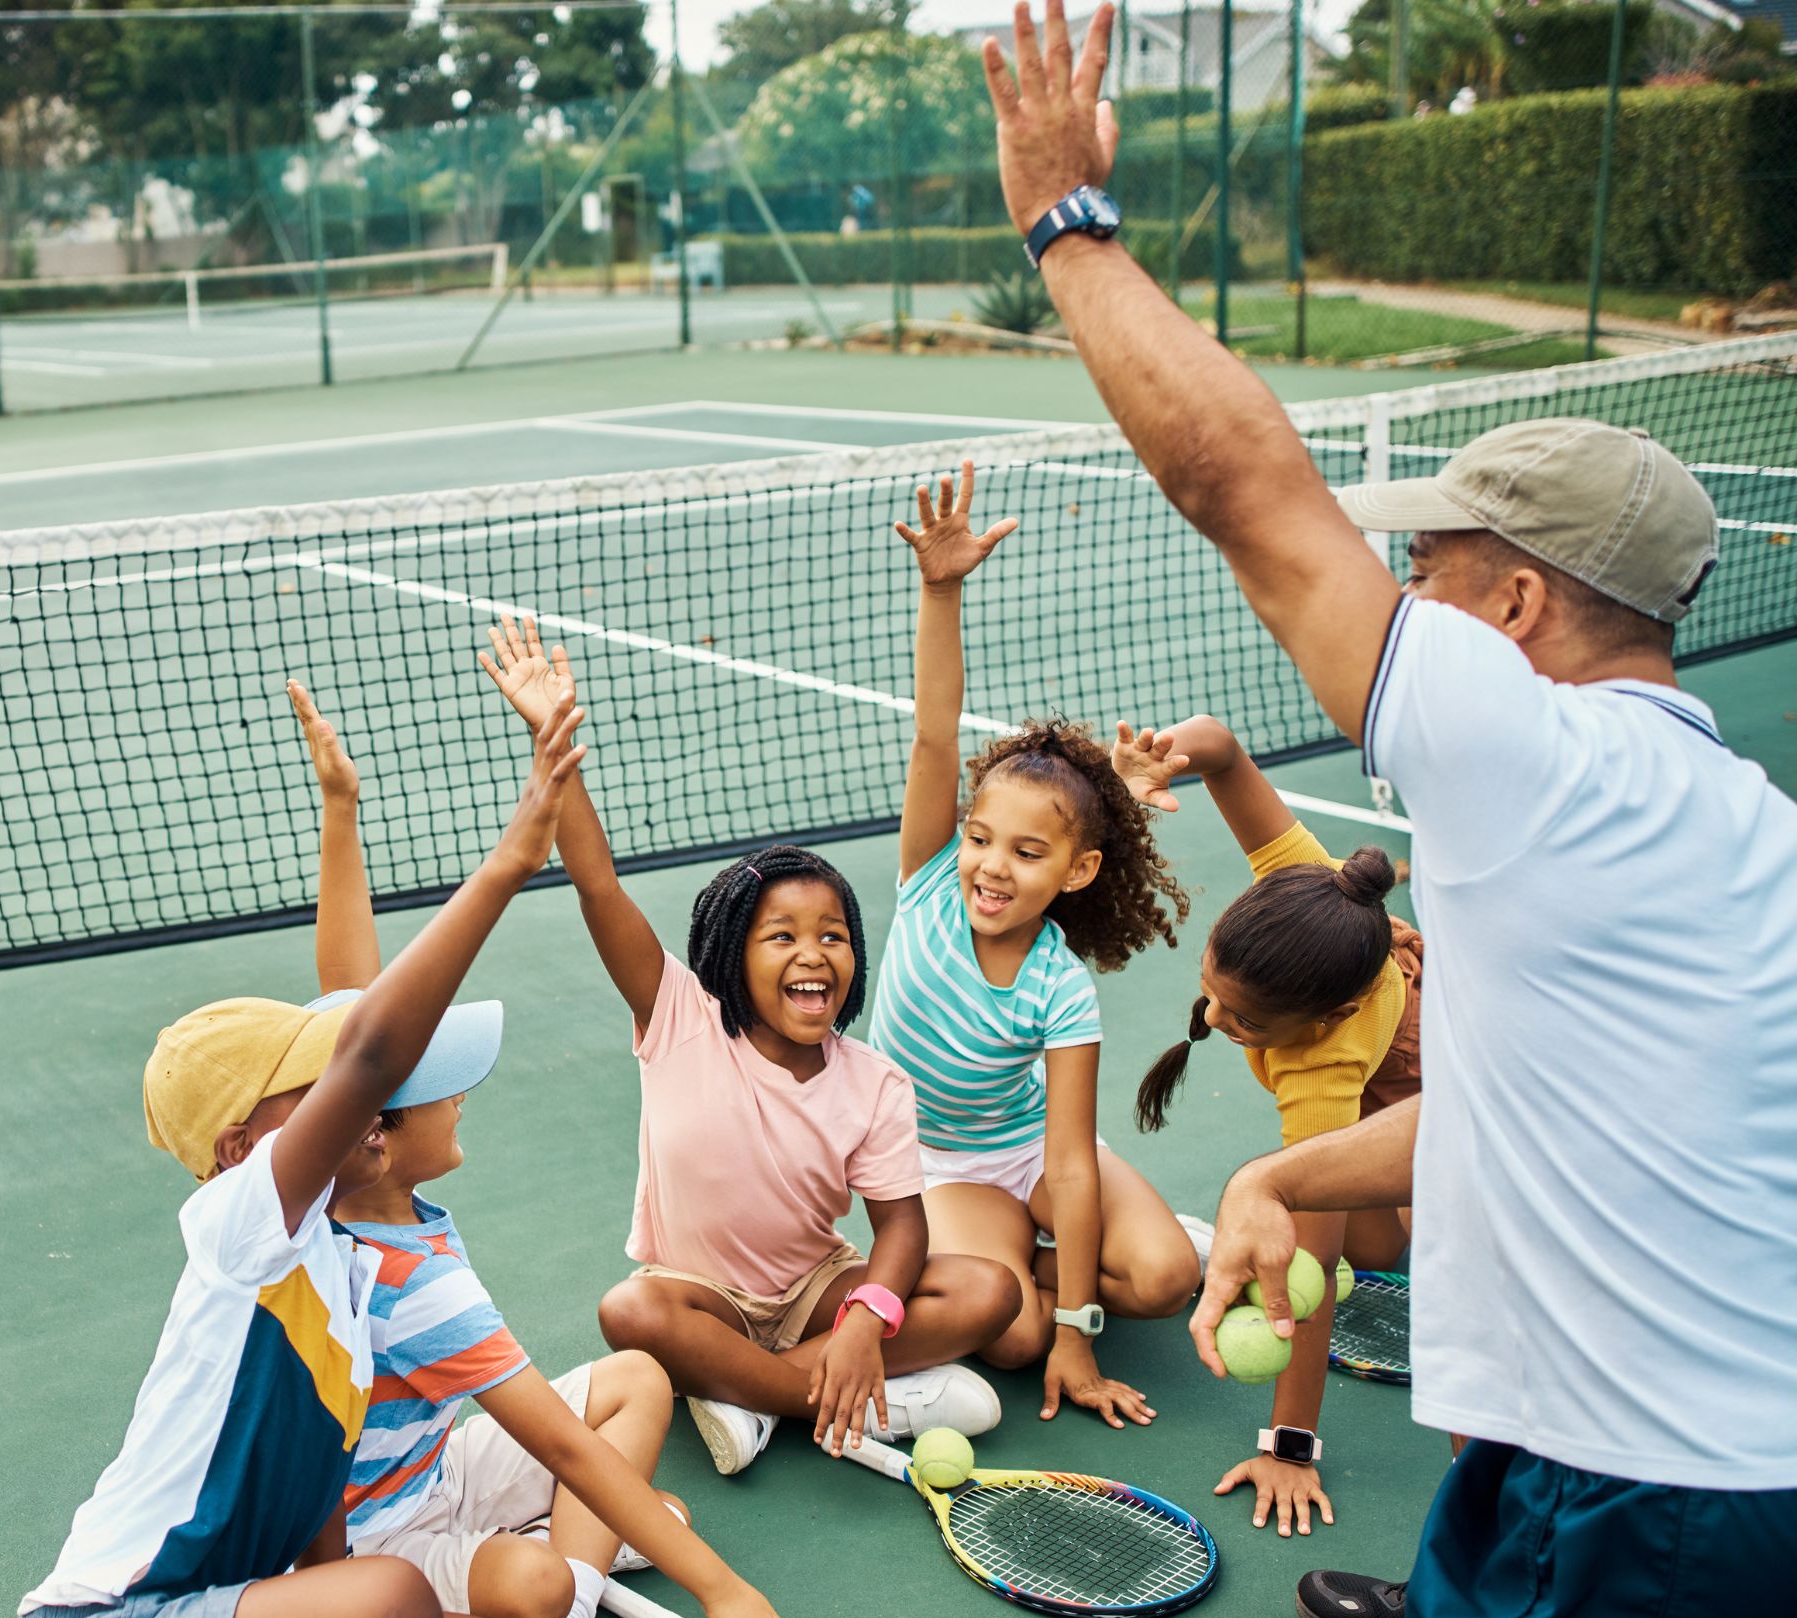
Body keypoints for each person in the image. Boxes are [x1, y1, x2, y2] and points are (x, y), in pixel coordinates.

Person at [980, 6, 1797, 1618]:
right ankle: (1463, 1609)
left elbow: (1240, 481)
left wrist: (1066, 230)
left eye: (1433, 569)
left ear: (1518, 602)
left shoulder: (1529, 755)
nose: (1408, 604)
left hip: (1649, 1505)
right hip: (1724, 1475)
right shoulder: (1754, 826)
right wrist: (1279, 1179)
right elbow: (1539, 1102)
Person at [1, 694, 581, 1618]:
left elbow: (321, 1543)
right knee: (396, 1606)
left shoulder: (345, 1281)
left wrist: (342, 811)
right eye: (314, 1090)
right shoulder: (239, 1233)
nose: (357, 1098)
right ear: (241, 1147)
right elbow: (371, 1042)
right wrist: (509, 860)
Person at [285, 681, 825, 1618]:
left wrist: (342, 811)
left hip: (441, 1462)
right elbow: (561, 1440)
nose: (461, 1094)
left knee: (638, 1378)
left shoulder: (340, 1189)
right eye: (441, 1087)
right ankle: (560, 1600)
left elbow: (361, 1020)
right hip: (375, 1540)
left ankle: (568, 1606)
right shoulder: (407, 1279)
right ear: (379, 1137)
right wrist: (727, 1591)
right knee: (534, 1580)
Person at [477, 616, 1016, 1478]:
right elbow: (596, 883)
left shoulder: (873, 1082)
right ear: (731, 955)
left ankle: (764, 1397)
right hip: (703, 1297)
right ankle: (844, 1398)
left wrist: (867, 1322)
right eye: (782, 937)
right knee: (633, 1314)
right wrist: (551, 731)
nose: (813, 953)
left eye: (833, 934)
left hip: (814, 1290)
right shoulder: (677, 1015)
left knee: (990, 1290)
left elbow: (902, 1226)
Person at [871, 464, 1199, 1428]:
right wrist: (942, 589)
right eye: (982, 838)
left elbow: (1067, 1159)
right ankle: (1018, 1262)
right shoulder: (930, 877)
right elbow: (936, 734)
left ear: (1078, 871)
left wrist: (1083, 1329)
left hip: (1026, 1155)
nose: (991, 866)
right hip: (944, 1161)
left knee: (1168, 1277)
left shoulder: (1061, 988)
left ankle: (1048, 1260)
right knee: (1011, 1335)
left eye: (1027, 852)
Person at [1113, 715, 1420, 1536]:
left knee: (1375, 1247)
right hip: (1392, 1028)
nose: (1212, 1015)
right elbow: (1216, 743)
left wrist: (1290, 1445)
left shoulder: (1319, 1079)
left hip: (1425, 1077)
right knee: (1380, 1245)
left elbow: (1301, 1286)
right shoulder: (1304, 883)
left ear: (1330, 1015)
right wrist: (1152, 766)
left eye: (1242, 1019)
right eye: (1213, 986)